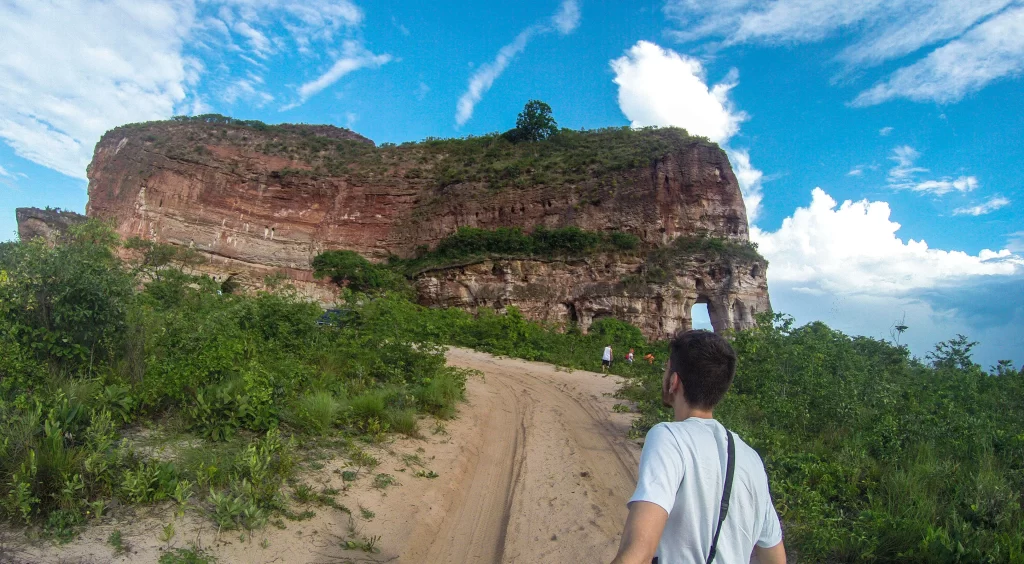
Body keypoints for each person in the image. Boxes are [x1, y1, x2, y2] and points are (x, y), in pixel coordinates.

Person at [611, 330, 785, 564]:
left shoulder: (668, 437)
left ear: (674, 382)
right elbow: (775, 558)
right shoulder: (751, 458)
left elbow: (638, 553)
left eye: (666, 370)